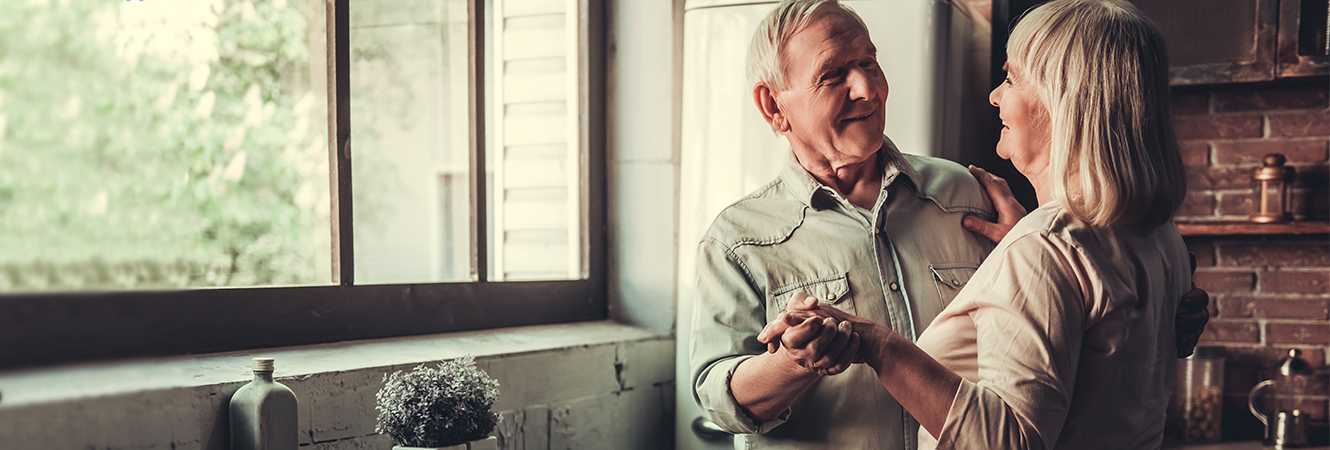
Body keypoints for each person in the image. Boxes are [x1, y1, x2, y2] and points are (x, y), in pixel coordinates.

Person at [690, 1, 1208, 449]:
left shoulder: (971, 196)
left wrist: (1047, 264)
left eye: (870, 62)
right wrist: (791, 362)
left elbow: (1069, 326)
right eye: (833, 75)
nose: (867, 88)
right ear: (773, 107)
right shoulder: (737, 239)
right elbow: (717, 399)